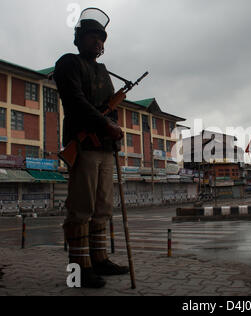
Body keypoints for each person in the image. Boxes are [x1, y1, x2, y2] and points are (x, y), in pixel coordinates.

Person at [54, 8, 129, 288]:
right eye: (92, 36)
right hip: (83, 145)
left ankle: (98, 259)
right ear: (79, 39)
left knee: (102, 207)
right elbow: (75, 102)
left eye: (102, 38)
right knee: (81, 209)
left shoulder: (101, 70)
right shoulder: (68, 63)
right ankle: (78, 270)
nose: (98, 42)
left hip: (105, 148)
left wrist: (115, 133)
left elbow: (110, 106)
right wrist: (105, 124)